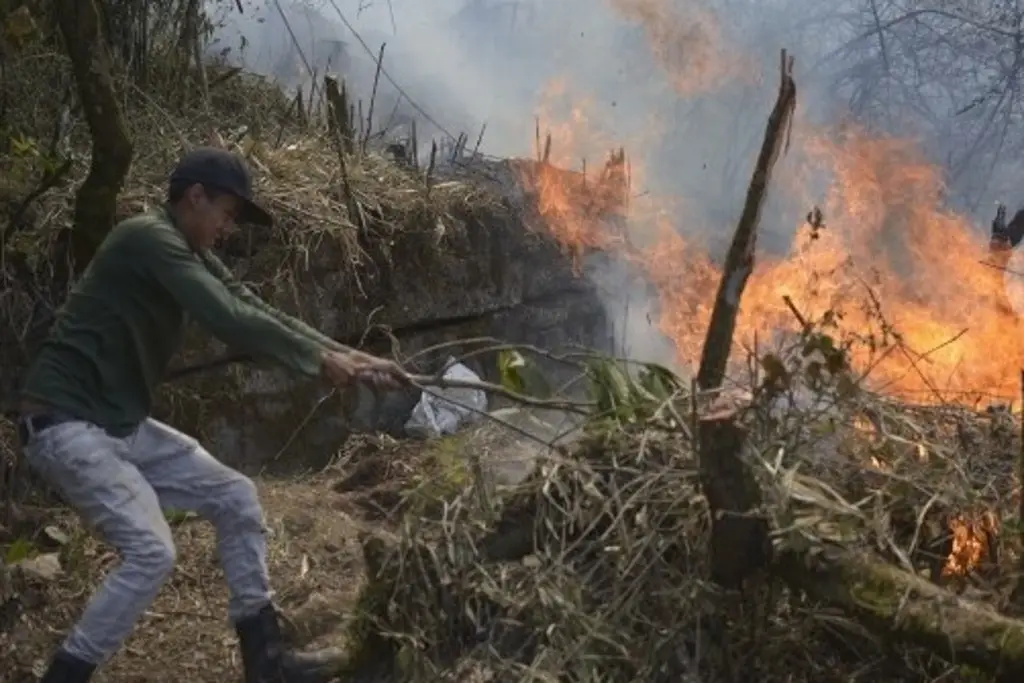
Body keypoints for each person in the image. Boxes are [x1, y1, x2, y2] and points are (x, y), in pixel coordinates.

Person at [17, 146, 410, 683]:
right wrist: (320, 361)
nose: (227, 228)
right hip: (66, 424)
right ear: (194, 197)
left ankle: (266, 660)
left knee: (235, 496)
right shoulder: (148, 238)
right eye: (225, 212)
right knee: (152, 552)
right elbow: (226, 316)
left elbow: (253, 306)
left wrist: (356, 359)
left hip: (115, 425)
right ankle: (64, 675)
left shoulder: (187, 249)